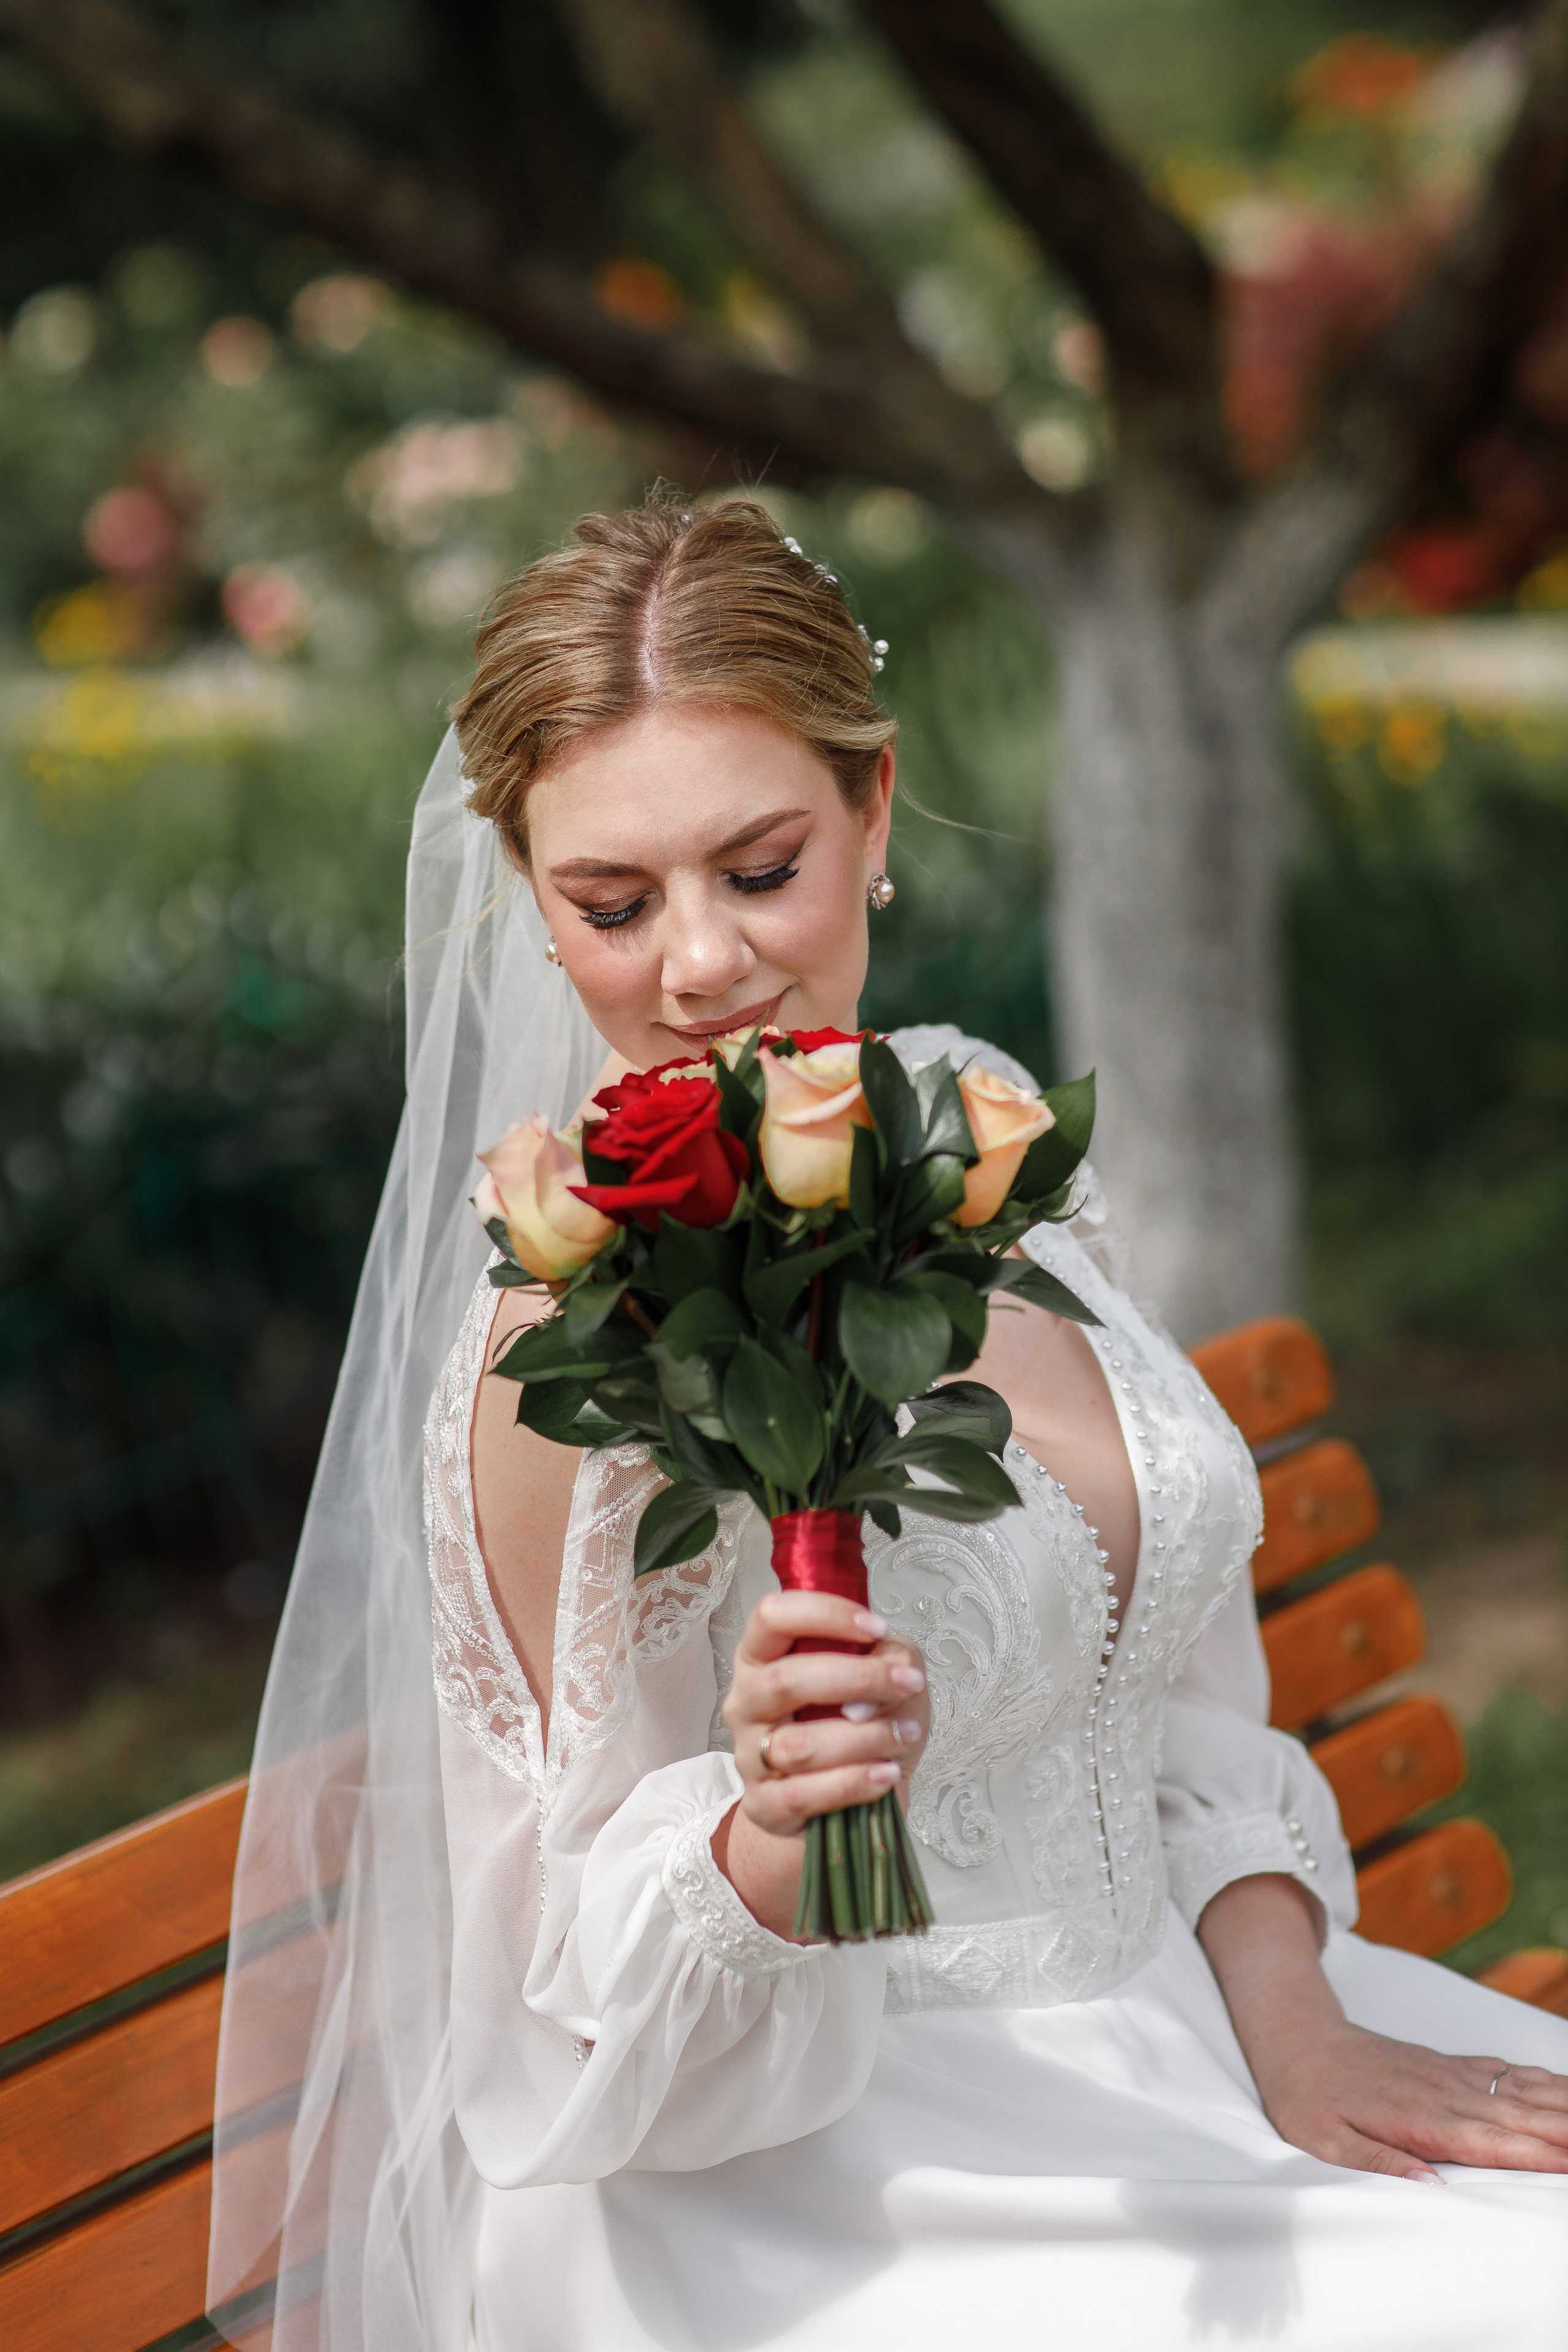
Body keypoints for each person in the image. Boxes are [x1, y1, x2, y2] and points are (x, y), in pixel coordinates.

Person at [209, 498, 1568, 2352]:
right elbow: (563, 2006)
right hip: (826, 2176)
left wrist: (1303, 2024)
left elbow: (1174, 1692)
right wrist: (773, 1831)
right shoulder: (564, 1338)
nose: (700, 963)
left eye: (760, 867)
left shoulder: (975, 1129)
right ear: (532, 899)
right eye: (614, 904)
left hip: (1186, 2027)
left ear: (874, 812)